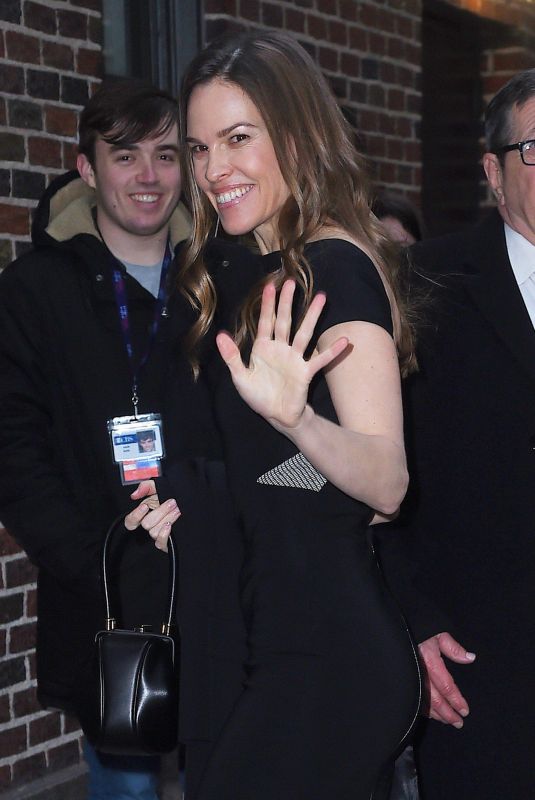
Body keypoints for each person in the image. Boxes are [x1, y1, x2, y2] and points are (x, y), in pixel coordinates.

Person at [128, 29, 421, 800]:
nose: (213, 171)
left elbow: (386, 484)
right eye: (197, 148)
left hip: (328, 656)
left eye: (236, 139)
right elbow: (297, 484)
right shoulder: (244, 268)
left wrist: (298, 422)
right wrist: (196, 496)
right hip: (266, 637)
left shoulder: (335, 269)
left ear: (294, 135)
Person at [0, 78, 228, 800]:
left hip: (220, 581)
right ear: (86, 168)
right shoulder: (34, 290)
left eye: (166, 156)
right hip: (105, 594)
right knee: (127, 788)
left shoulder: (224, 281)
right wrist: (91, 559)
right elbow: (11, 443)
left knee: (229, 776)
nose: (149, 177)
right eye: (125, 156)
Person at [377, 67, 535, 799]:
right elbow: (374, 480)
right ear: (492, 173)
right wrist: (411, 621)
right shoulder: (419, 286)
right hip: (477, 669)